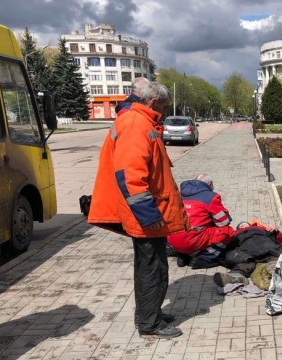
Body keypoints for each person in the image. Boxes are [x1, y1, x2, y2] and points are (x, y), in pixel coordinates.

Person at [88, 81, 186, 340]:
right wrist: (148, 215)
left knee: (154, 266)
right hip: (147, 216)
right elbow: (129, 176)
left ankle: (150, 314)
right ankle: (150, 324)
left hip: (151, 213)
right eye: (164, 107)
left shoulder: (141, 122)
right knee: (151, 269)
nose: (165, 112)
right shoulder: (136, 125)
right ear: (152, 103)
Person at [167, 174, 235, 269]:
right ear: (210, 184)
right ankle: (205, 258)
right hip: (192, 240)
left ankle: (183, 256)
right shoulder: (211, 197)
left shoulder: (178, 194)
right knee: (228, 231)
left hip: (174, 239)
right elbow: (223, 222)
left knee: (188, 230)